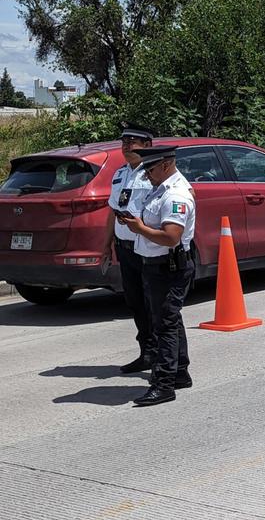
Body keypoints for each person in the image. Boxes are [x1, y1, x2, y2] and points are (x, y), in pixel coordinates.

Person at [121, 146, 196, 407]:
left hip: (169, 266)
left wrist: (139, 228)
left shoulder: (176, 194)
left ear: (166, 165)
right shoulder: (160, 188)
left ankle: (163, 384)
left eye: (150, 170)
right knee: (170, 319)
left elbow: (171, 237)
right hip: (157, 265)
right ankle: (180, 372)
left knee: (164, 324)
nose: (147, 175)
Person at [104, 122, 155, 374]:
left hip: (147, 246)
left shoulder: (155, 173)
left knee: (153, 302)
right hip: (125, 247)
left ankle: (164, 357)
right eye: (124, 142)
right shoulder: (119, 174)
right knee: (135, 301)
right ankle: (146, 352)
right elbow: (112, 212)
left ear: (147, 145)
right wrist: (106, 245)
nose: (126, 146)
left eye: (132, 142)